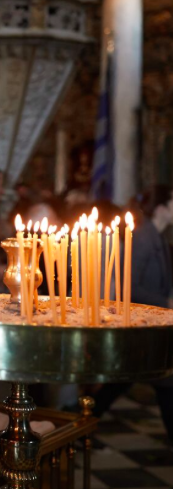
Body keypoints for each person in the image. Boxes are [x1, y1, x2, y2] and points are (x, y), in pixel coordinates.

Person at [93, 186, 173, 441]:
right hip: (143, 321)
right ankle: (83, 423)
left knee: (125, 378)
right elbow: (130, 286)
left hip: (152, 321)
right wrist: (166, 302)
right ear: (162, 207)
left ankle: (86, 421)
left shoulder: (157, 235)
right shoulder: (143, 237)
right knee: (164, 382)